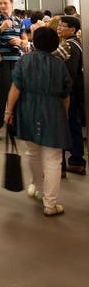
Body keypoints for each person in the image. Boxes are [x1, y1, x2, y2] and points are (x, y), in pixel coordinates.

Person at [5, 26, 71, 216]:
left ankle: (38, 188)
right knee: (53, 158)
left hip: (28, 109)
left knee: (32, 152)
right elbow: (66, 95)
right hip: (53, 111)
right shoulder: (59, 64)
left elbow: (15, 88)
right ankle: (50, 204)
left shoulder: (24, 60)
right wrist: (64, 114)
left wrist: (8, 111)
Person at [0, 0, 28, 141]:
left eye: (5, 3)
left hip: (17, 60)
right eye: (1, 3)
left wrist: (21, 42)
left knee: (18, 93)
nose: (3, 6)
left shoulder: (18, 21)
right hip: (2, 61)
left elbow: (25, 39)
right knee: (2, 93)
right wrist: (1, 29)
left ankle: (15, 127)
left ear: (11, 3)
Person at [55, 15, 85, 175]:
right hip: (75, 90)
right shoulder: (79, 43)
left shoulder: (67, 45)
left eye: (62, 26)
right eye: (58, 25)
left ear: (72, 29)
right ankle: (76, 161)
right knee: (73, 124)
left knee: (65, 125)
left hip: (67, 92)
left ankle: (62, 164)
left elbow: (67, 70)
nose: (59, 28)